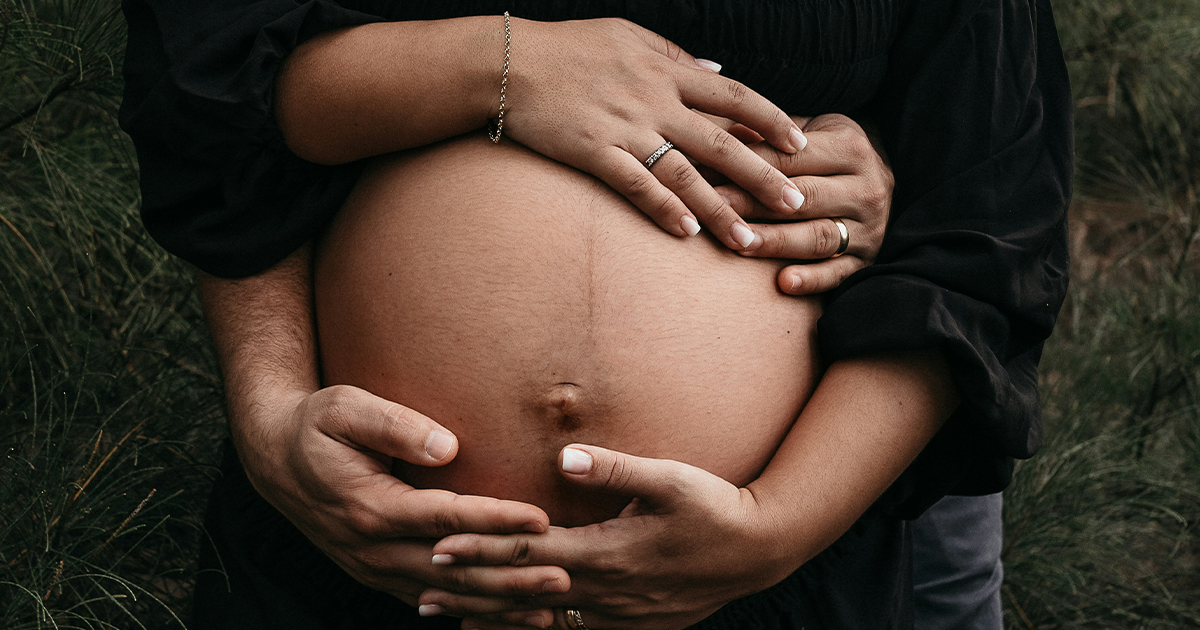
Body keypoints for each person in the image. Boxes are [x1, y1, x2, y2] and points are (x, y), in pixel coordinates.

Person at [117, 1, 1072, 628]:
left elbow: (983, 217)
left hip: (781, 584)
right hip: (353, 562)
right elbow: (209, 101)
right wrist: (269, 412)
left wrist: (774, 530)